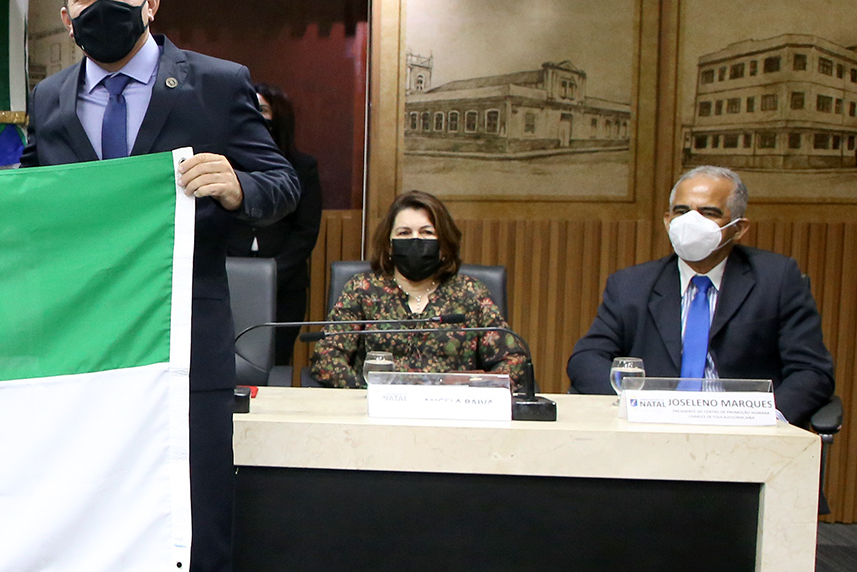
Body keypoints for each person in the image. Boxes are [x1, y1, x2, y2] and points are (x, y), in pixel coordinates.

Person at [21, 0, 299, 572]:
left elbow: (282, 185)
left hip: (187, 345)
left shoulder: (214, 82)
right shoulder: (49, 97)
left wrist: (238, 186)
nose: (101, 1)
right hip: (83, 351)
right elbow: (28, 201)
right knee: (84, 526)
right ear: (64, 13)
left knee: (198, 537)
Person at [568, 166, 834, 425]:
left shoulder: (776, 280)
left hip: (743, 432)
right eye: (681, 211)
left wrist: (769, 419)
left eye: (709, 213)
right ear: (667, 221)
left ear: (739, 228)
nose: (691, 222)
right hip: (651, 429)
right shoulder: (631, 284)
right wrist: (631, 406)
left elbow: (812, 371)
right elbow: (586, 359)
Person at [310, 190, 525, 387]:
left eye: (427, 232)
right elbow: (327, 358)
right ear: (389, 245)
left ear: (443, 245)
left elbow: (513, 361)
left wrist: (472, 392)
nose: (415, 240)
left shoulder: (470, 293)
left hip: (451, 409)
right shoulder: (363, 289)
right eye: (404, 233)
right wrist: (369, 393)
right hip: (377, 409)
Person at [223, 84, 321, 367]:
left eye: (263, 110)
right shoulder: (225, 167)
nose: (256, 116)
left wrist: (274, 272)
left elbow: (306, 231)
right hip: (228, 280)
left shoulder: (303, 167)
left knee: (276, 361)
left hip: (285, 285)